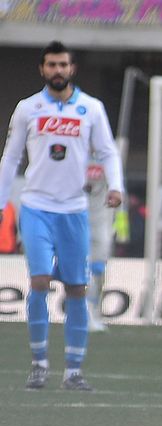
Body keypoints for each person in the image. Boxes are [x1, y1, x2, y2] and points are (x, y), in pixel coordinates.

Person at [0, 41, 124, 391]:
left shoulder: (91, 109)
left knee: (76, 288)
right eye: (51, 64)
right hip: (37, 207)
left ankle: (73, 371)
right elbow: (10, 158)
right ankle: (39, 364)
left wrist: (116, 186)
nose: (58, 70)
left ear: (72, 69)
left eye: (63, 65)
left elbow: (108, 152)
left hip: (73, 210)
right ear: (42, 69)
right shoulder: (28, 108)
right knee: (39, 281)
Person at [85, 158, 115, 332]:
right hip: (77, 221)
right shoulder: (74, 152)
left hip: (101, 223)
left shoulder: (109, 157)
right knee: (83, 271)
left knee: (98, 270)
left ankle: (95, 312)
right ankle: (85, 313)